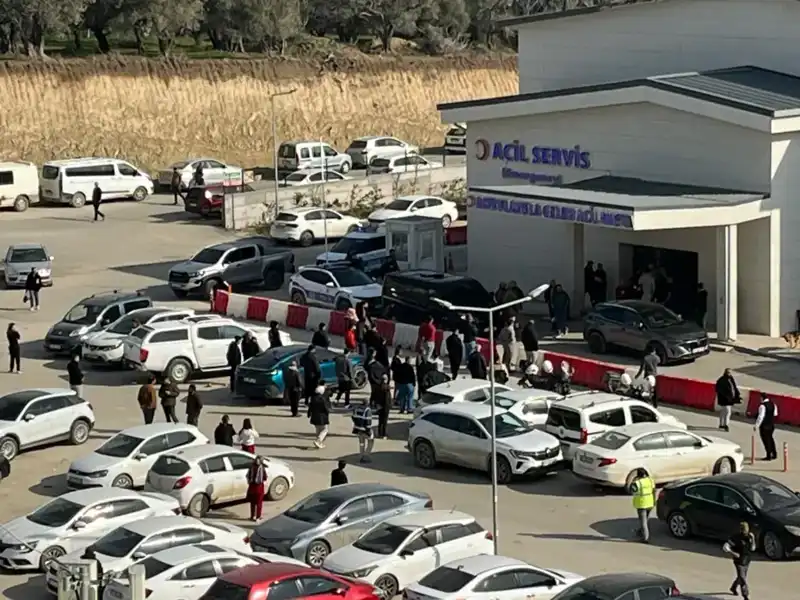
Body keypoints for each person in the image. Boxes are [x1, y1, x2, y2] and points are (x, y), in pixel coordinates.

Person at [724, 521, 755, 599]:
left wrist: (753, 539)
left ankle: (733, 587)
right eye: (744, 529)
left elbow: (753, 548)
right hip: (739, 561)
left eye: (747, 529)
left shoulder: (749, 537)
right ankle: (745, 596)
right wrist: (733, 553)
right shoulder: (735, 538)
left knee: (740, 577)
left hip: (747, 560)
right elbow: (725, 547)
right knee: (743, 579)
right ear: (741, 529)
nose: (746, 531)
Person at [629, 468, 656, 543]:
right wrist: (654, 501)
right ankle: (641, 532)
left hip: (642, 504)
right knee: (646, 519)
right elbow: (654, 491)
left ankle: (645, 538)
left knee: (643, 522)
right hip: (650, 503)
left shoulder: (637, 483)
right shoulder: (650, 480)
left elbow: (631, 490)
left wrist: (633, 481)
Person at [755, 392, 778, 460]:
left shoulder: (762, 406)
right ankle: (774, 454)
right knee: (771, 439)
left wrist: (756, 425)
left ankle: (768, 455)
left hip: (764, 426)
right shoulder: (773, 404)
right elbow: (775, 414)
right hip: (771, 425)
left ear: (762, 398)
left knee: (766, 441)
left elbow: (760, 417)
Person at [352, 396, 374, 462]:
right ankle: (366, 456)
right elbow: (368, 421)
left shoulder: (356, 409)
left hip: (358, 429)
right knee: (371, 441)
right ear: (368, 402)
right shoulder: (367, 410)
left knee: (361, 443)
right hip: (365, 429)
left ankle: (361, 456)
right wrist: (369, 430)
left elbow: (353, 417)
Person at [308, 385, 330, 449]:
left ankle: (320, 443)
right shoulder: (322, 399)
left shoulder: (313, 398)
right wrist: (327, 412)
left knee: (318, 429)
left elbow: (310, 407)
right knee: (325, 429)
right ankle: (318, 440)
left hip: (314, 416)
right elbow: (325, 408)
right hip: (322, 416)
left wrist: (309, 414)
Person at [246, 456, 267, 521]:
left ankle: (252, 516)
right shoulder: (262, 468)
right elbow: (265, 477)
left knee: (252, 503)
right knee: (259, 503)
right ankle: (258, 517)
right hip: (259, 488)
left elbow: (247, 476)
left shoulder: (251, 467)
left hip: (252, 488)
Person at [376, 374, 391, 439]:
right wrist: (389, 406)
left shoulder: (378, 386)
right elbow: (387, 399)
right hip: (385, 406)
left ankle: (379, 433)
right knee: (384, 421)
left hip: (379, 406)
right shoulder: (387, 388)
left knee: (380, 421)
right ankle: (384, 434)